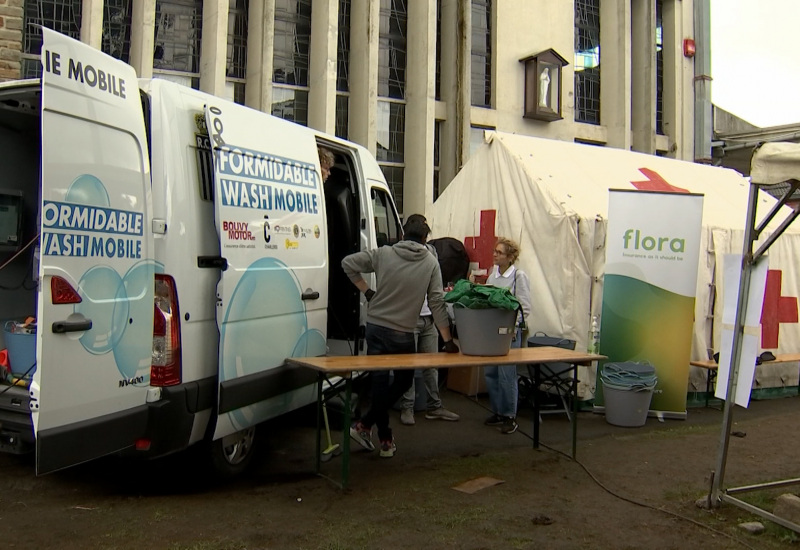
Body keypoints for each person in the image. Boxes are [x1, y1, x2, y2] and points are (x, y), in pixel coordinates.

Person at [342, 216, 459, 458]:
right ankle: (370, 430)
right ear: (426, 239)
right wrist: (447, 340)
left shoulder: (383, 254)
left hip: (375, 327)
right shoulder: (430, 262)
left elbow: (348, 263)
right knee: (404, 381)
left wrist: (367, 290)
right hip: (402, 333)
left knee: (380, 385)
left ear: (403, 235)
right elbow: (437, 302)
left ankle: (380, 437)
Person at [398, 214, 460, 425]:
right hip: (408, 319)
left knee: (431, 365)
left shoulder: (431, 253)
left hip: (429, 319)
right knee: (409, 366)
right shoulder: (399, 253)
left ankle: (435, 406)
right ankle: (407, 408)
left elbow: (435, 292)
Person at [483, 237, 532, 435]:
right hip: (491, 332)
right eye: (495, 251)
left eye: (499, 252)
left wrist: (513, 328)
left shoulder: (519, 277)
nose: (495, 254)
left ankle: (510, 415)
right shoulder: (492, 274)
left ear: (510, 257)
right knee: (491, 373)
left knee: (506, 375)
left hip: (509, 333)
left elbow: (524, 307)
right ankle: (498, 411)